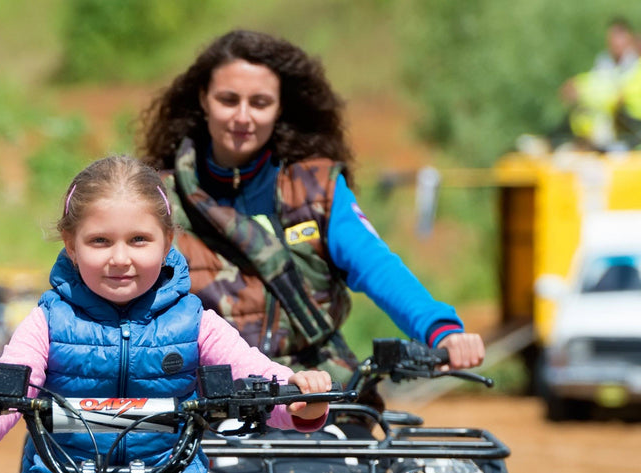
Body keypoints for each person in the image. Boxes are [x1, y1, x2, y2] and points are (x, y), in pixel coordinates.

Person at [0, 155, 333, 473]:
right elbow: (12, 393)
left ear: (168, 242)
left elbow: (256, 376)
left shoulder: (196, 322)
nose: (119, 259)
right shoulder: (46, 321)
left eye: (139, 240)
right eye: (99, 241)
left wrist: (300, 399)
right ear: (71, 246)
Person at [138, 29, 483, 395]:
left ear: (281, 107)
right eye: (228, 99)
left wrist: (441, 330)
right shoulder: (158, 197)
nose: (243, 116)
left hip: (318, 387)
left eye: (260, 102)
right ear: (203, 100)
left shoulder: (317, 188)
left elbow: (377, 266)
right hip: (209, 398)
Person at [558, 17, 639, 149]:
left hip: (624, 113)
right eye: (612, 38)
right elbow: (594, 82)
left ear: (629, 39)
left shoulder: (636, 63)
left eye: (619, 38)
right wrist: (576, 87)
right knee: (577, 109)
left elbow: (624, 92)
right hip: (601, 109)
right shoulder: (604, 60)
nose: (615, 43)